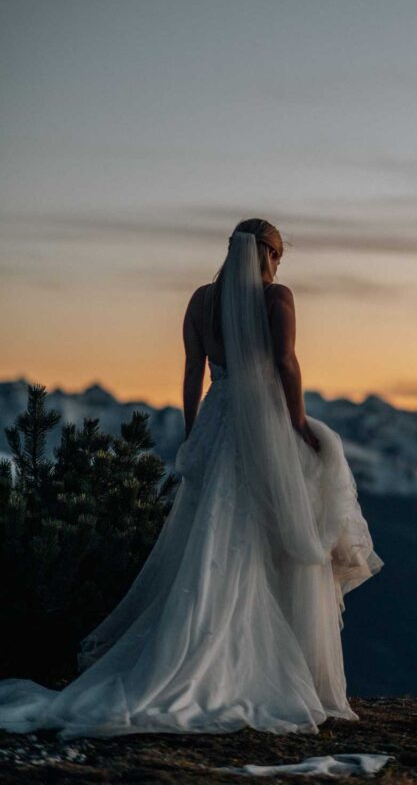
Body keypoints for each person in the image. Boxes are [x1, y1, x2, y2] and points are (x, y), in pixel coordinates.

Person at [0, 218, 383, 739]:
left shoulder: (203, 300)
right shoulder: (277, 299)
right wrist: (296, 423)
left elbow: (191, 371)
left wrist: (192, 432)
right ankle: (271, 666)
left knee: (214, 535)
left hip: (219, 418)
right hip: (264, 420)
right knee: (273, 528)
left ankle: (196, 643)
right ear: (267, 253)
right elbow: (286, 363)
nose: (278, 264)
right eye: (277, 254)